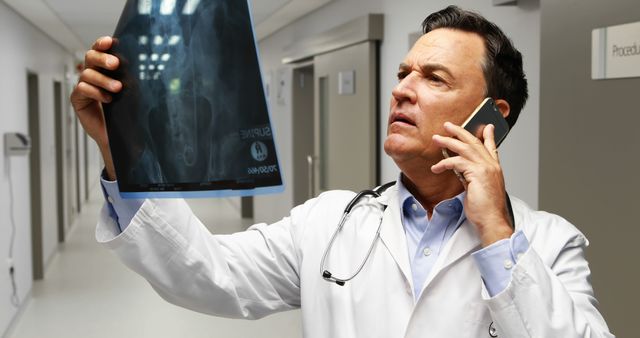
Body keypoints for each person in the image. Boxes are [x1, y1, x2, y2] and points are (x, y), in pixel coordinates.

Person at [71, 5, 613, 338]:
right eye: (403, 73)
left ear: (492, 117)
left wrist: (496, 233)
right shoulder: (330, 222)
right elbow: (208, 274)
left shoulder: (546, 244)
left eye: (434, 78)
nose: (401, 88)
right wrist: (127, 149)